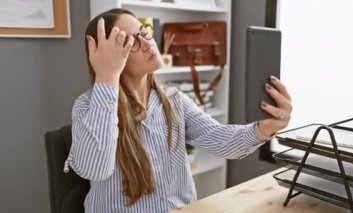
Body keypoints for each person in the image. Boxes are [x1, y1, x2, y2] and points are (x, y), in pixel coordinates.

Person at [63, 8, 292, 213]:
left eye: (144, 31)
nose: (147, 43)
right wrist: (107, 77)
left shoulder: (174, 100)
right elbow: (95, 169)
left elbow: (222, 141)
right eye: (130, 42)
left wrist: (266, 128)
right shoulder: (87, 106)